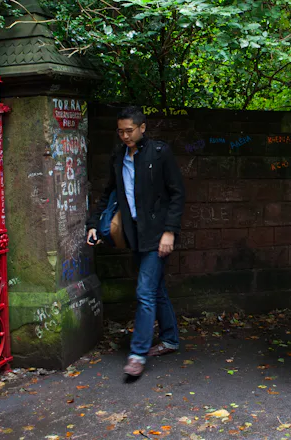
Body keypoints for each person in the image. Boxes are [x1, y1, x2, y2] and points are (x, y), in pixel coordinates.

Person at [86, 106, 186, 379]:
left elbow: (177, 194)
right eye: (121, 131)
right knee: (156, 289)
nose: (125, 135)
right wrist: (93, 224)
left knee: (144, 291)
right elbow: (110, 193)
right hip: (135, 235)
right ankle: (170, 339)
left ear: (142, 128)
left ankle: (137, 353)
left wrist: (169, 232)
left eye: (130, 130)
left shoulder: (159, 153)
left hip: (157, 235)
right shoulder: (119, 157)